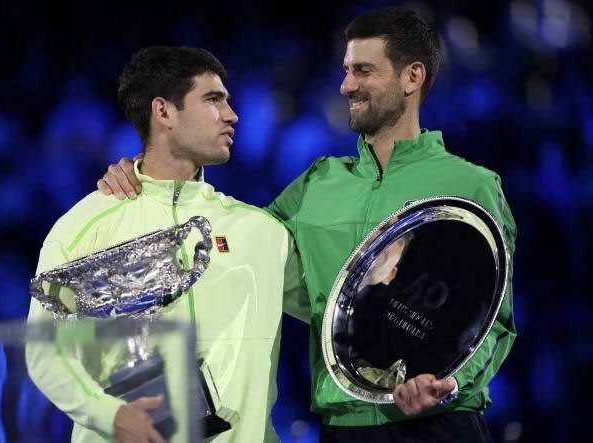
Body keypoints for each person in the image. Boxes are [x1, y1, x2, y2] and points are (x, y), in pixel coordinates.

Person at [98, 7, 517, 443]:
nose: (346, 85)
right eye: (346, 70)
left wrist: (449, 383)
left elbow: (495, 321)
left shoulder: (471, 186)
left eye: (364, 71)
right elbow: (232, 245)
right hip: (344, 428)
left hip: (441, 426)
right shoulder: (317, 183)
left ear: (412, 77)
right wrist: (151, 175)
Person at [27, 45, 308, 443]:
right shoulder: (84, 227)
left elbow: (337, 315)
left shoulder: (262, 231)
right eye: (213, 100)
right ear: (163, 112)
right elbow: (44, 351)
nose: (231, 114)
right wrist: (112, 416)